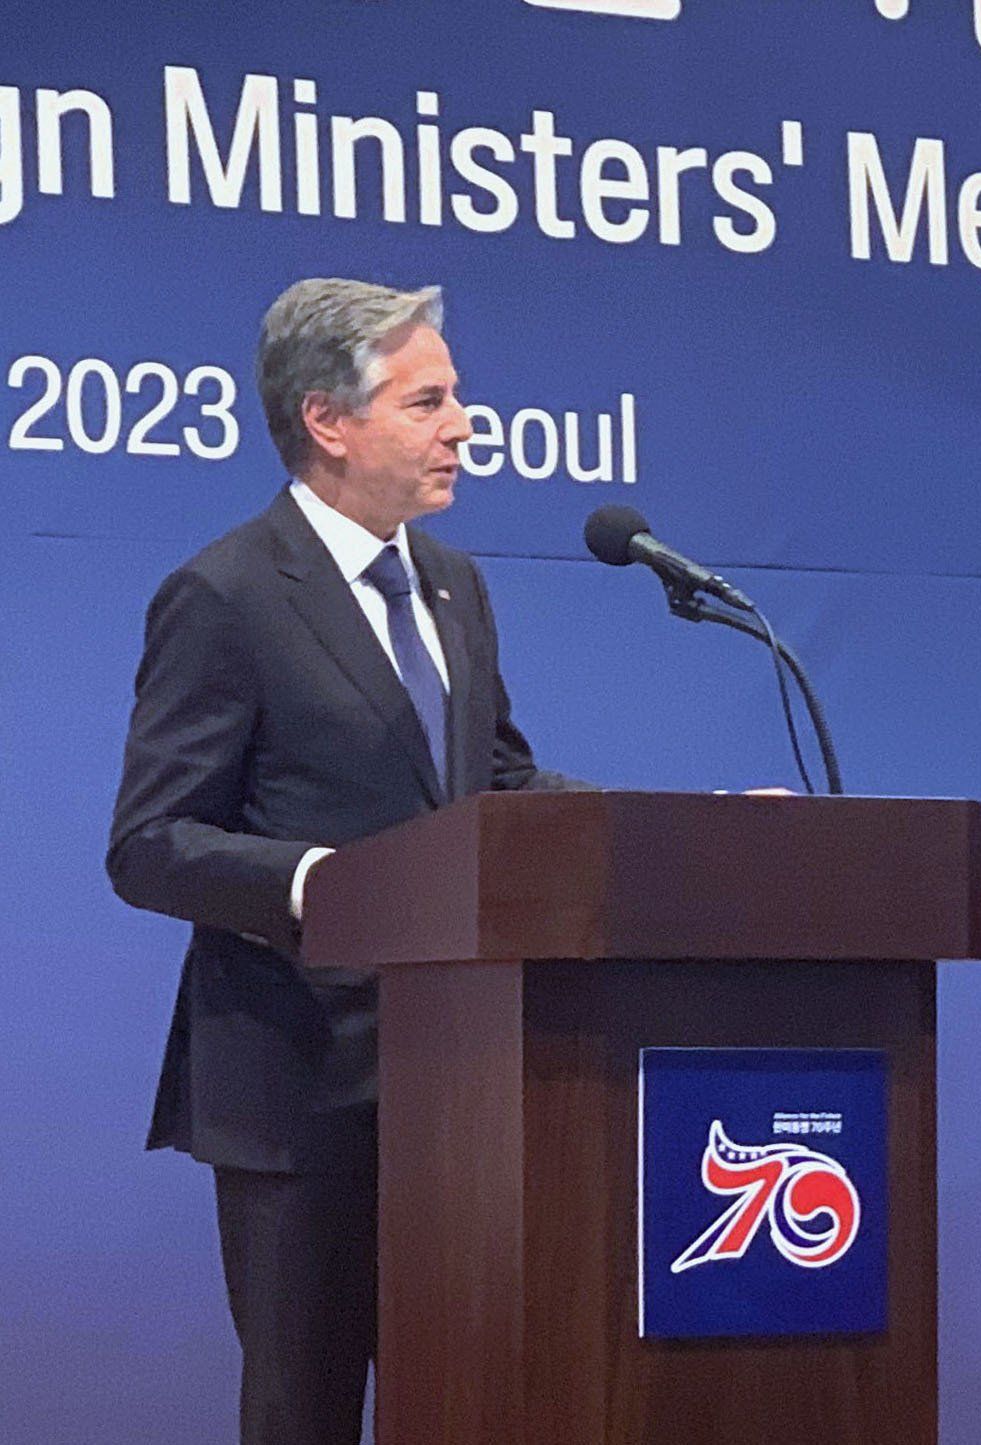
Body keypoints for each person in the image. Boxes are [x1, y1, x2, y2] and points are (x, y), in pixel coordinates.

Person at [107, 277, 574, 1445]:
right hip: (299, 1094)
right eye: (428, 401)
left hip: (460, 1088)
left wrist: (683, 821)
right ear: (328, 421)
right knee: (304, 1417)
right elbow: (152, 841)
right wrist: (322, 884)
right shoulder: (225, 593)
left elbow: (496, 789)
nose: (464, 422)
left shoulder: (456, 588)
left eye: (455, 396)